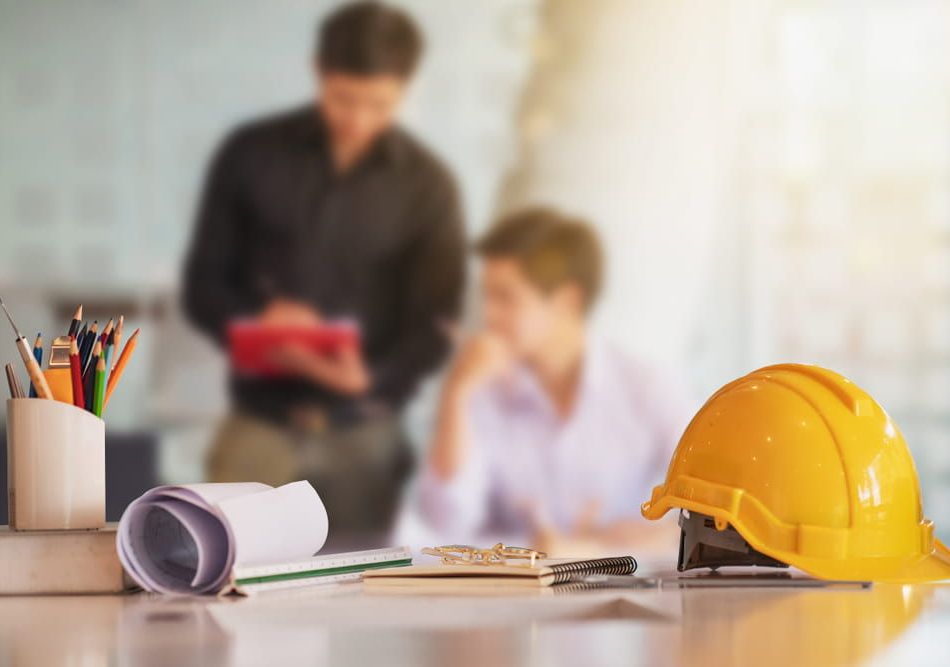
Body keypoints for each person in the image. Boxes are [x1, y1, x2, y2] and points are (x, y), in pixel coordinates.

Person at [182, 1, 466, 543]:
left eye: (379, 104)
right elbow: (202, 286)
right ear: (319, 73)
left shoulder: (429, 186)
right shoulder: (250, 154)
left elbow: (436, 323)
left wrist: (371, 378)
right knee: (224, 565)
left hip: (366, 433)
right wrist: (259, 318)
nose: (358, 120)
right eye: (343, 99)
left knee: (361, 580)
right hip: (259, 424)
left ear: (405, 90)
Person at [416, 207, 693, 553]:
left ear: (567, 301)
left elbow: (712, 507)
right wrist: (455, 393)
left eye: (505, 298)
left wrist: (653, 537)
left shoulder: (647, 387)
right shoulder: (482, 390)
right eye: (487, 296)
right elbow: (446, 519)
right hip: (515, 581)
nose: (488, 315)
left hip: (623, 576)